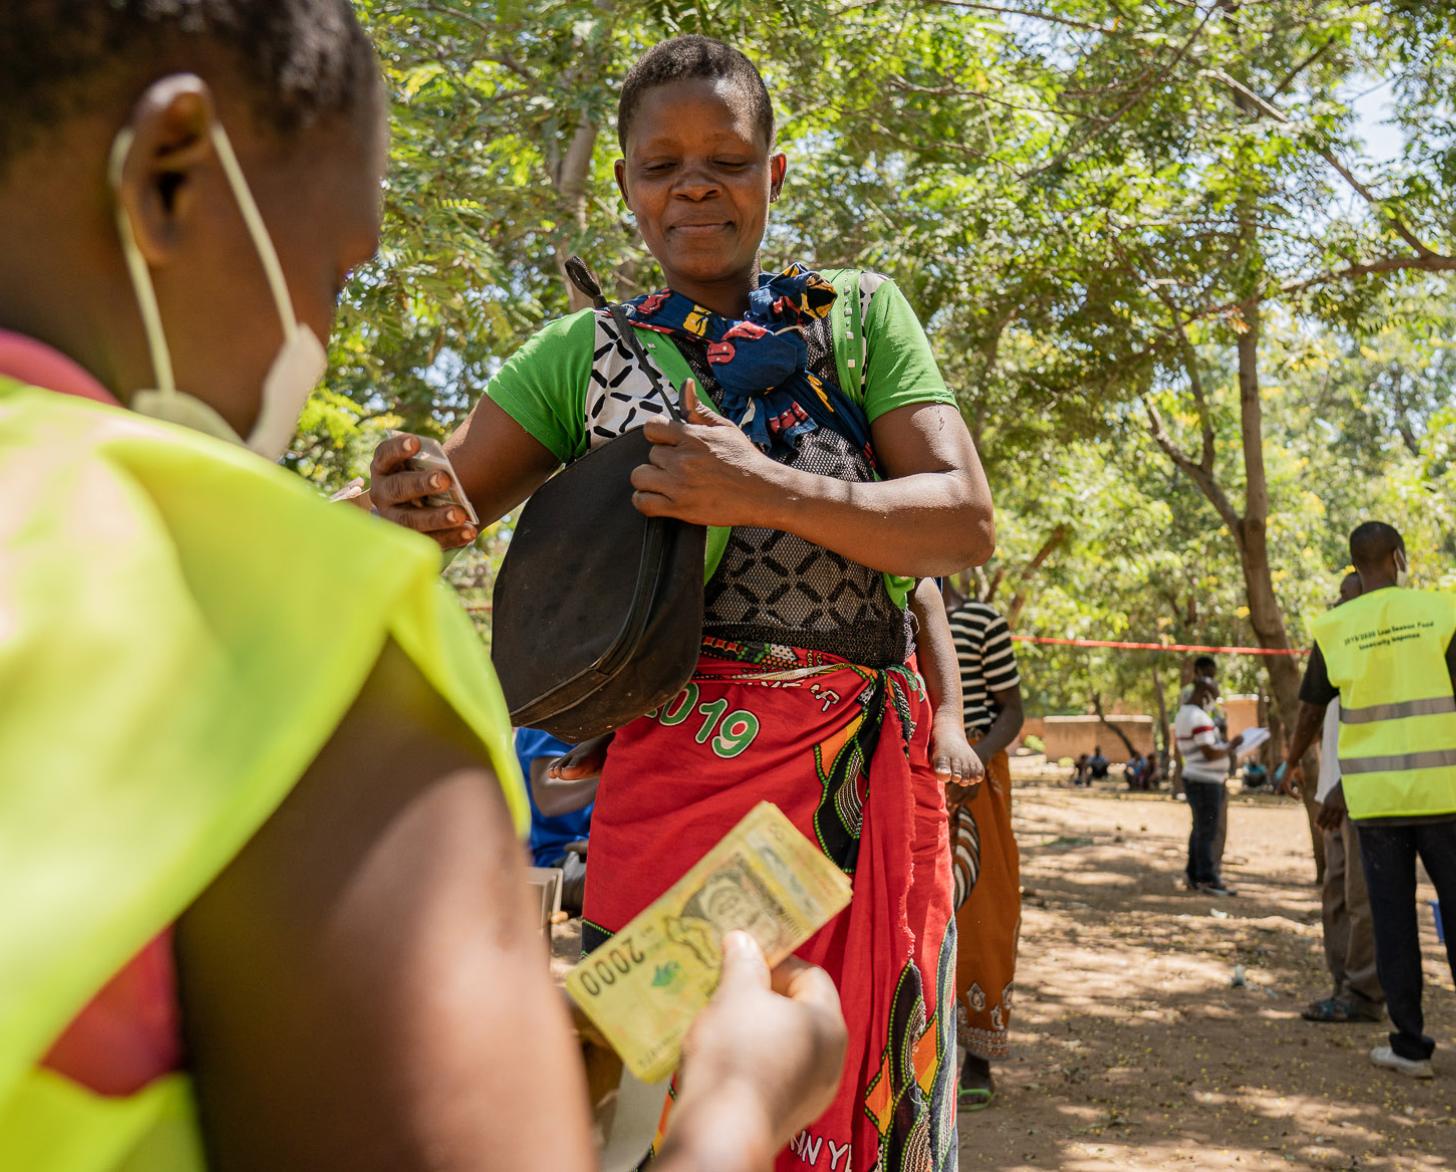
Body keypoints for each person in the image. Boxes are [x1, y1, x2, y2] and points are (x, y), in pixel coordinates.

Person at [0, 5, 847, 1169]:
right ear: (170, 176)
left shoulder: (847, 322)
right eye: (337, 271)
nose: (318, 331)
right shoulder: (306, 623)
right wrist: (738, 1105)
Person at [370, 35, 994, 1170]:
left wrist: (760, 486)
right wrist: (408, 491)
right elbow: (452, 496)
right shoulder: (580, 356)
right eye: (661, 165)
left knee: (856, 1087)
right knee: (646, 1102)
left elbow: (961, 520)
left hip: (852, 792)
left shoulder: (853, 319)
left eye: (727, 158)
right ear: (623, 186)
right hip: (669, 789)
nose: (694, 184)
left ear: (775, 174)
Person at [1282, 523, 1456, 1079]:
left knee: (1394, 920)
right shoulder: (1440, 613)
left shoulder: (1337, 627)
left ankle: (1409, 1047)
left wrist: (1290, 759)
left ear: (1353, 566)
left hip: (1377, 802)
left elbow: (1310, 708)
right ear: (1400, 557)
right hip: (1443, 792)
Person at [1286, 573, 1385, 1025]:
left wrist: (1343, 789)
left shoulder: (1378, 651)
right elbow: (1319, 716)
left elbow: (1375, 730)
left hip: (1363, 793)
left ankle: (1364, 992)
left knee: (1362, 898)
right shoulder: (1338, 644)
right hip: (1335, 791)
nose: (1338, 603)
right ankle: (1343, 985)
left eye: (1348, 596)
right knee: (1336, 894)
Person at [943, 592, 1025, 1111]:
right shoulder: (885, 605)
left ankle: (978, 1059)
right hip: (912, 766)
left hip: (976, 774)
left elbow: (1013, 710)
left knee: (983, 910)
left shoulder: (981, 620)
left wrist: (977, 756)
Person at [1174, 678, 1243, 895]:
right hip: (1204, 781)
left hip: (1199, 779)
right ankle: (1206, 878)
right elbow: (1209, 752)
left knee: (1200, 830)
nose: (1214, 701)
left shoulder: (1185, 714)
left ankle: (1194, 874)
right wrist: (1231, 746)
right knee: (1207, 831)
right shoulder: (1197, 717)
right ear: (1205, 694)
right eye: (1213, 696)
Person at [516, 728, 596, 913]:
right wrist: (621, 767)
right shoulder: (549, 716)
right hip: (557, 860)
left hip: (593, 853)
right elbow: (549, 797)